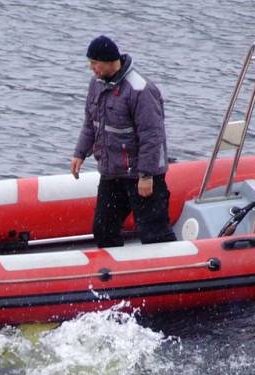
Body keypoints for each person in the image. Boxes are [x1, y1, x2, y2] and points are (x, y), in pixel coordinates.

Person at [71, 35, 176, 247]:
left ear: (110, 61)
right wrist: (79, 153)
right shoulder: (96, 84)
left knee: (154, 232)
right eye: (90, 63)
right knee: (103, 229)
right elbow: (91, 123)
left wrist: (146, 176)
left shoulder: (140, 90)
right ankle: (112, 274)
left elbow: (152, 136)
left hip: (141, 174)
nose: (91, 68)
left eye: (94, 63)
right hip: (113, 172)